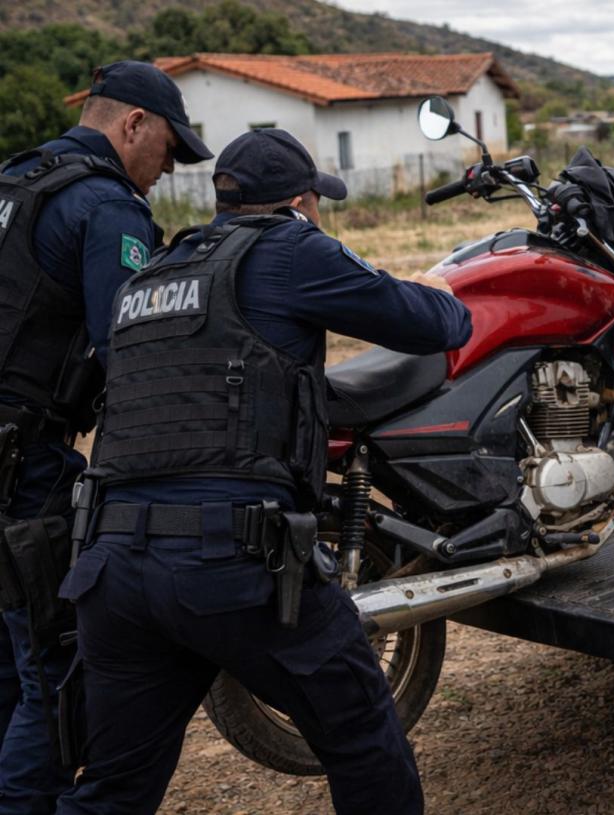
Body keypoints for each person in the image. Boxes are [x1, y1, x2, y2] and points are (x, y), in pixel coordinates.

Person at [54, 128, 471, 815]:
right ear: (303, 201)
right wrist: (438, 288)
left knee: (112, 789)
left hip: (114, 567)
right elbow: (434, 324)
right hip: (229, 559)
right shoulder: (291, 247)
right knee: (363, 733)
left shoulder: (153, 274)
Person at [0, 60, 210, 814]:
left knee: (8, 665)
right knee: (52, 676)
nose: (167, 172)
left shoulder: (16, 181)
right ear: (132, 126)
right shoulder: (105, 206)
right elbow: (132, 349)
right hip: (23, 471)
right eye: (168, 151)